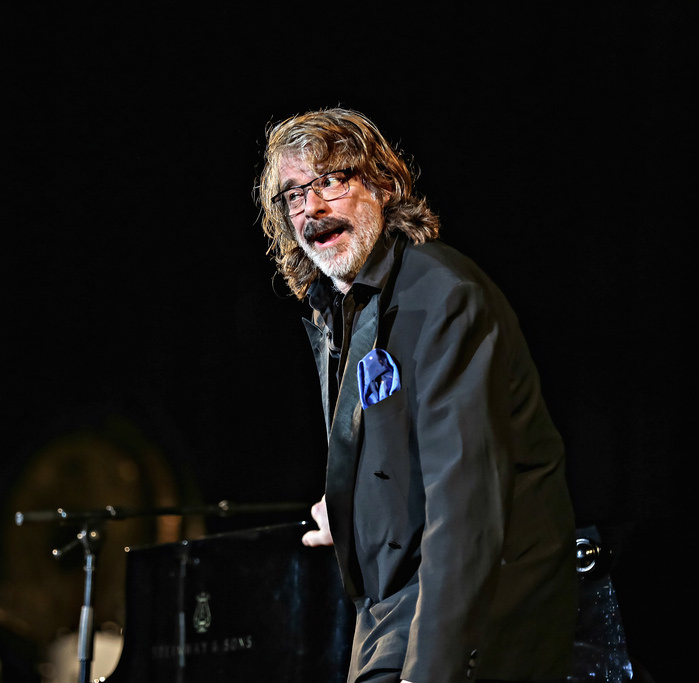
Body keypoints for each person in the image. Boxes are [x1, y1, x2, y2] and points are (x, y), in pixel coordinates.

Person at [255, 108, 577, 683]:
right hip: (393, 611)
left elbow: (465, 506)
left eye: (332, 180)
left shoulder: (442, 297)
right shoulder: (346, 309)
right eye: (294, 194)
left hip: (474, 617)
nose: (312, 207)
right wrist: (353, 507)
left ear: (383, 186)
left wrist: (432, 669)